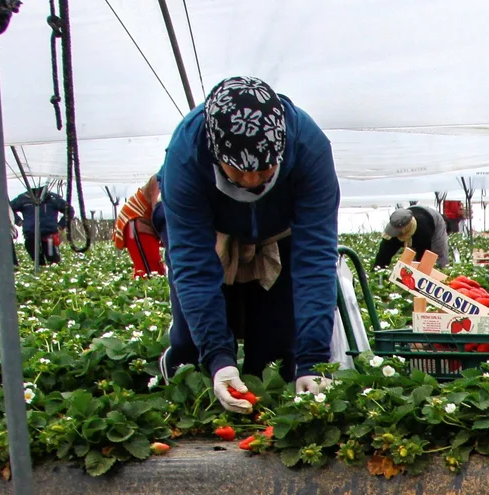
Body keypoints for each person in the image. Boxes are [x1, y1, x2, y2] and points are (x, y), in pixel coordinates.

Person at [158, 75, 341, 408]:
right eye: (238, 170)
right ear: (215, 154)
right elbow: (192, 264)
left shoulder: (309, 148)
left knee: (276, 348)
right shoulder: (185, 156)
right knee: (194, 351)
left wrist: (313, 359)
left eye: (265, 168)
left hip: (278, 234)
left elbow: (314, 257)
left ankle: (272, 410)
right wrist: (218, 358)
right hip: (211, 234)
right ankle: (192, 382)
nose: (252, 181)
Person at [112, 177, 164, 277]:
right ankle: (146, 290)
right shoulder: (160, 179)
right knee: (149, 270)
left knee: (154, 268)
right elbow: (158, 211)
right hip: (134, 222)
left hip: (144, 222)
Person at [9, 185, 71, 266]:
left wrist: (61, 225)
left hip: (49, 236)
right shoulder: (24, 199)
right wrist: (19, 221)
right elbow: (9, 209)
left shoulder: (53, 198)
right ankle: (40, 274)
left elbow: (69, 211)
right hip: (31, 235)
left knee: (54, 261)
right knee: (38, 262)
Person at [374, 205, 449, 269]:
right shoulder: (395, 226)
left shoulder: (423, 231)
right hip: (413, 211)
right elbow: (383, 254)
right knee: (407, 260)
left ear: (406, 227)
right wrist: (378, 269)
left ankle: (443, 276)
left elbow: (424, 255)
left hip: (433, 219)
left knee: (437, 255)